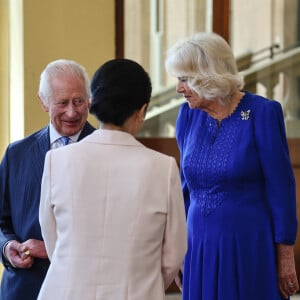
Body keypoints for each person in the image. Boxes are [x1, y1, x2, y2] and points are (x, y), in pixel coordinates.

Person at [37, 58, 187, 300]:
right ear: (142, 110)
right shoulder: (163, 168)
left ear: (92, 102)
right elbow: (173, 254)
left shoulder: (57, 161)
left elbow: (52, 238)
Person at [165, 32, 299, 300]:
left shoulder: (262, 112)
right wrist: (178, 248)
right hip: (199, 244)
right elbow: (184, 191)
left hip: (249, 245)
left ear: (209, 75)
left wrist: (285, 257)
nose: (179, 88)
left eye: (185, 79)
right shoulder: (187, 115)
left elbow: (281, 188)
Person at [0, 59, 95, 300]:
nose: (72, 112)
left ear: (90, 100)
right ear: (43, 102)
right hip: (24, 289)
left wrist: (53, 249)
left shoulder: (106, 153)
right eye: (62, 103)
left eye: (79, 101)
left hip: (85, 289)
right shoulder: (16, 154)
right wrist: (7, 247)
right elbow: (2, 221)